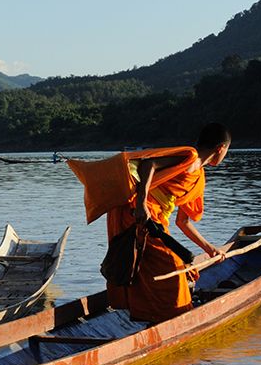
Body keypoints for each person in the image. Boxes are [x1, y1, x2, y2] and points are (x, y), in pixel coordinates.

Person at [68, 122, 231, 323]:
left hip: (155, 221)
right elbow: (149, 164)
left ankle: (152, 316)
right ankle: (175, 318)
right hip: (138, 213)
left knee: (149, 266)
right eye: (226, 152)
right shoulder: (189, 157)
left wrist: (209, 248)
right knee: (172, 267)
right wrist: (142, 203)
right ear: (220, 149)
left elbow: (183, 221)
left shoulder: (199, 177)